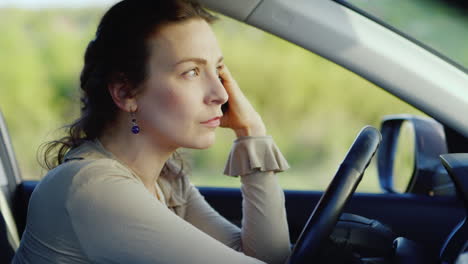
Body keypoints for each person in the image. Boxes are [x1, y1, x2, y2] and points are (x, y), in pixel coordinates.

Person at [12, 0, 291, 263]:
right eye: (191, 72)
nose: (220, 93)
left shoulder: (166, 180)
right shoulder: (91, 188)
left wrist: (250, 131)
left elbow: (269, 258)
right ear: (125, 92)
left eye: (217, 70)